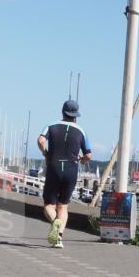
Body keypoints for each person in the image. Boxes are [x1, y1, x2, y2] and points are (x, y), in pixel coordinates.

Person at [37, 99, 92, 249]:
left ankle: (55, 221)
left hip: (54, 166)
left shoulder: (51, 125)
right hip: (71, 169)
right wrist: (81, 159)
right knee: (63, 206)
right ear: (76, 115)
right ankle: (58, 239)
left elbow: (41, 140)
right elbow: (88, 155)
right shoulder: (81, 131)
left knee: (49, 204)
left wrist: (46, 153)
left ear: (62, 111)